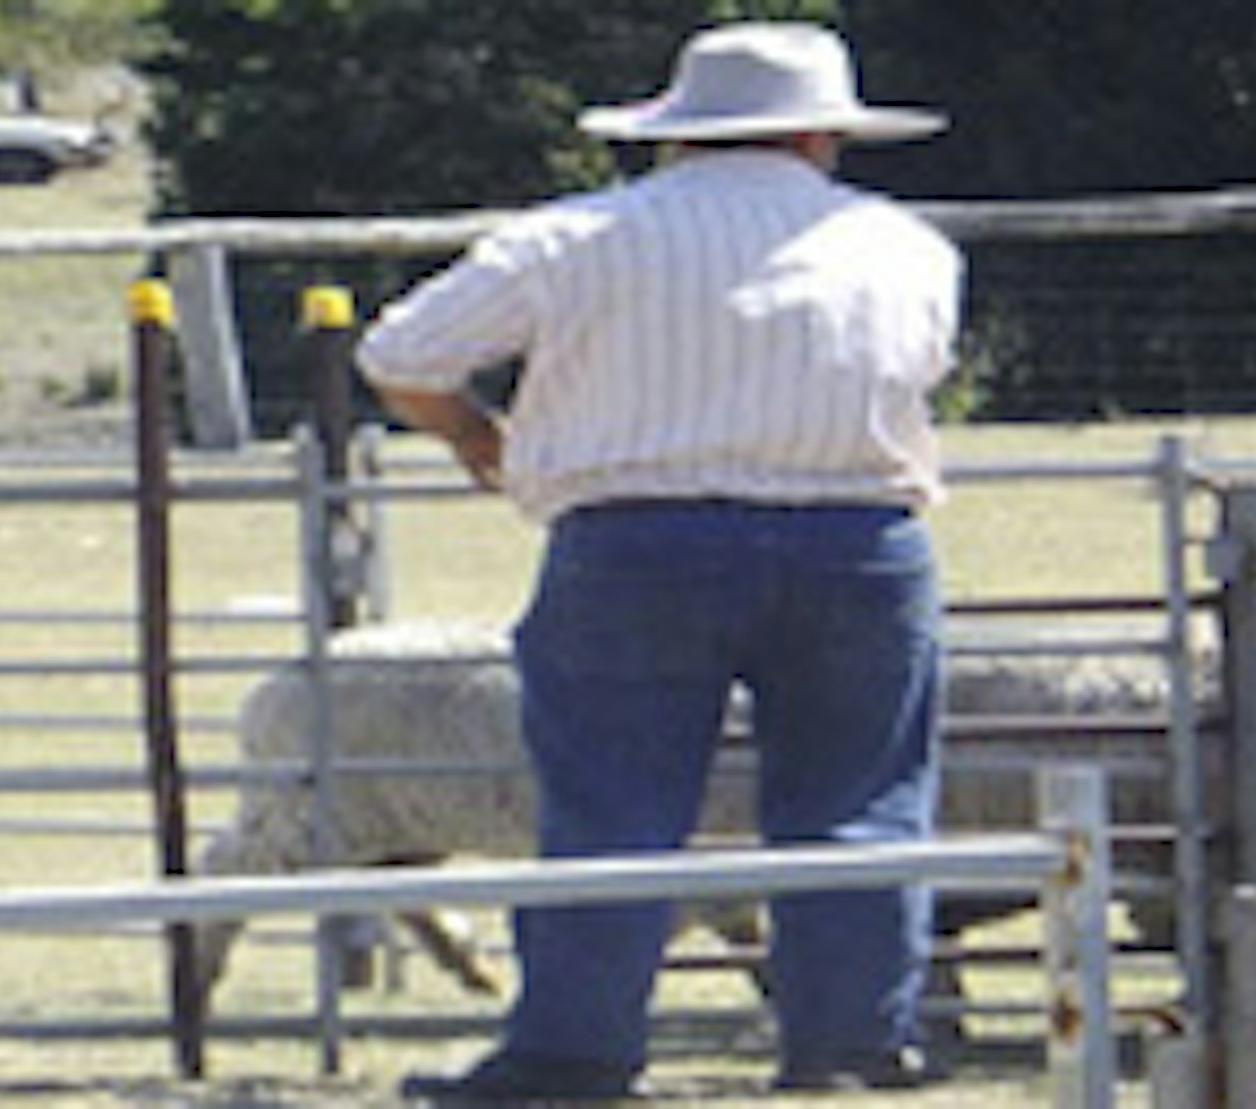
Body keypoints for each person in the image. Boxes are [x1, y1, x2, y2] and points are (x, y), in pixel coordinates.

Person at [354, 21, 961, 1103]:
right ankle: (851, 1047)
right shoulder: (906, 244)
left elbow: (399, 354)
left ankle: (572, 1053)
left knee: (612, 805)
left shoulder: (576, 235)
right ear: (822, 136)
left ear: (676, 136)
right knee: (858, 802)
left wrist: (475, 436)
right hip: (857, 540)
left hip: (633, 542)